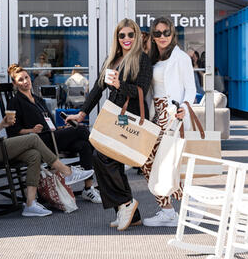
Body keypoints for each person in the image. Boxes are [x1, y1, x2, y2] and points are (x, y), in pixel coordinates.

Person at [0, 72, 94, 217]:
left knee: (34, 155)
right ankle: (66, 172)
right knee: (33, 138)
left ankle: (30, 204)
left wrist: (2, 124)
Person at [65, 18, 152, 231]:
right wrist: (82, 112)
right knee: (110, 162)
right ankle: (130, 213)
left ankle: (126, 204)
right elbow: (96, 89)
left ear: (137, 36)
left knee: (103, 158)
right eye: (122, 35)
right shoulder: (112, 59)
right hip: (113, 116)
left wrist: (119, 85)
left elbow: (142, 90)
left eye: (131, 34)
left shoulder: (142, 59)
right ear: (117, 38)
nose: (126, 39)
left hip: (129, 117)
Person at [6, 63, 102, 204]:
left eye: (27, 77)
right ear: (15, 83)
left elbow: (48, 123)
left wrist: (61, 129)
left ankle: (88, 188)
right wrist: (31, 131)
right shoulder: (15, 102)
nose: (25, 81)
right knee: (81, 130)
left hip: (51, 136)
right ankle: (103, 161)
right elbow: (12, 132)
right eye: (20, 80)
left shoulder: (38, 100)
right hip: (38, 142)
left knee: (83, 144)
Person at [141, 17, 196, 227]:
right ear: (152, 36)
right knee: (153, 163)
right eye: (157, 33)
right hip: (157, 114)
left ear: (172, 34)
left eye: (166, 32)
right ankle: (178, 208)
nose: (162, 37)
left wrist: (184, 106)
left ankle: (174, 209)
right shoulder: (153, 58)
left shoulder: (181, 57)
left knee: (153, 161)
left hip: (172, 114)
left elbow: (191, 88)